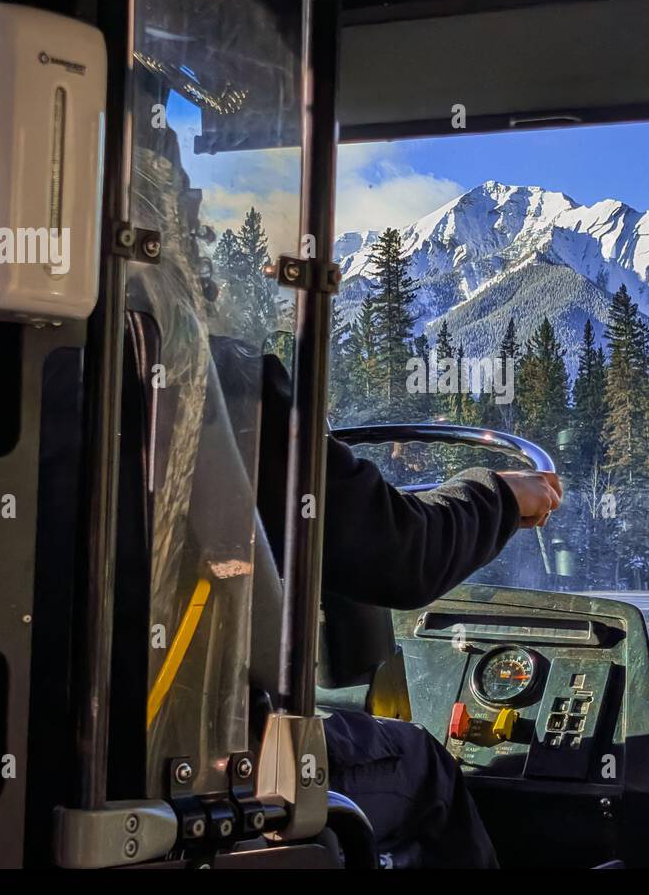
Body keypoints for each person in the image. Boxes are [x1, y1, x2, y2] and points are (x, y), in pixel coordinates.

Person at [236, 351, 562, 868]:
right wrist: (499, 496)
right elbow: (397, 550)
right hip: (227, 766)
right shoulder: (212, 380)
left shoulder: (76, 368)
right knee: (423, 763)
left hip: (109, 766)